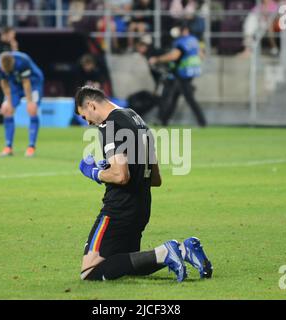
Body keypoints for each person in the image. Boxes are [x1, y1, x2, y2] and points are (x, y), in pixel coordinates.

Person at [75, 86, 213, 282]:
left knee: (90, 271)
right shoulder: (136, 119)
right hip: (142, 206)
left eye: (84, 116)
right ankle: (183, 250)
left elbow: (121, 176)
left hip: (119, 208)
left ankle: (165, 252)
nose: (87, 122)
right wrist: (111, 167)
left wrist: (94, 172)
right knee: (127, 264)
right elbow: (155, 179)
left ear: (90, 105)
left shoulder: (110, 125)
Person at [149, 23, 207, 127]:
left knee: (189, 98)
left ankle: (202, 122)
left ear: (184, 30)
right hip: (192, 71)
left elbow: (174, 56)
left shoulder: (181, 42)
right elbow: (201, 56)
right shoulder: (194, 40)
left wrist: (157, 59)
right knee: (175, 95)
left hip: (183, 73)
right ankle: (164, 120)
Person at [0, 51, 44, 157]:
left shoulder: (22, 61)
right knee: (7, 109)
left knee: (32, 109)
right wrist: (9, 101)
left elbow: (26, 83)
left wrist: (29, 102)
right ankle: (8, 147)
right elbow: (4, 82)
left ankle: (31, 147)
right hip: (15, 84)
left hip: (33, 82)